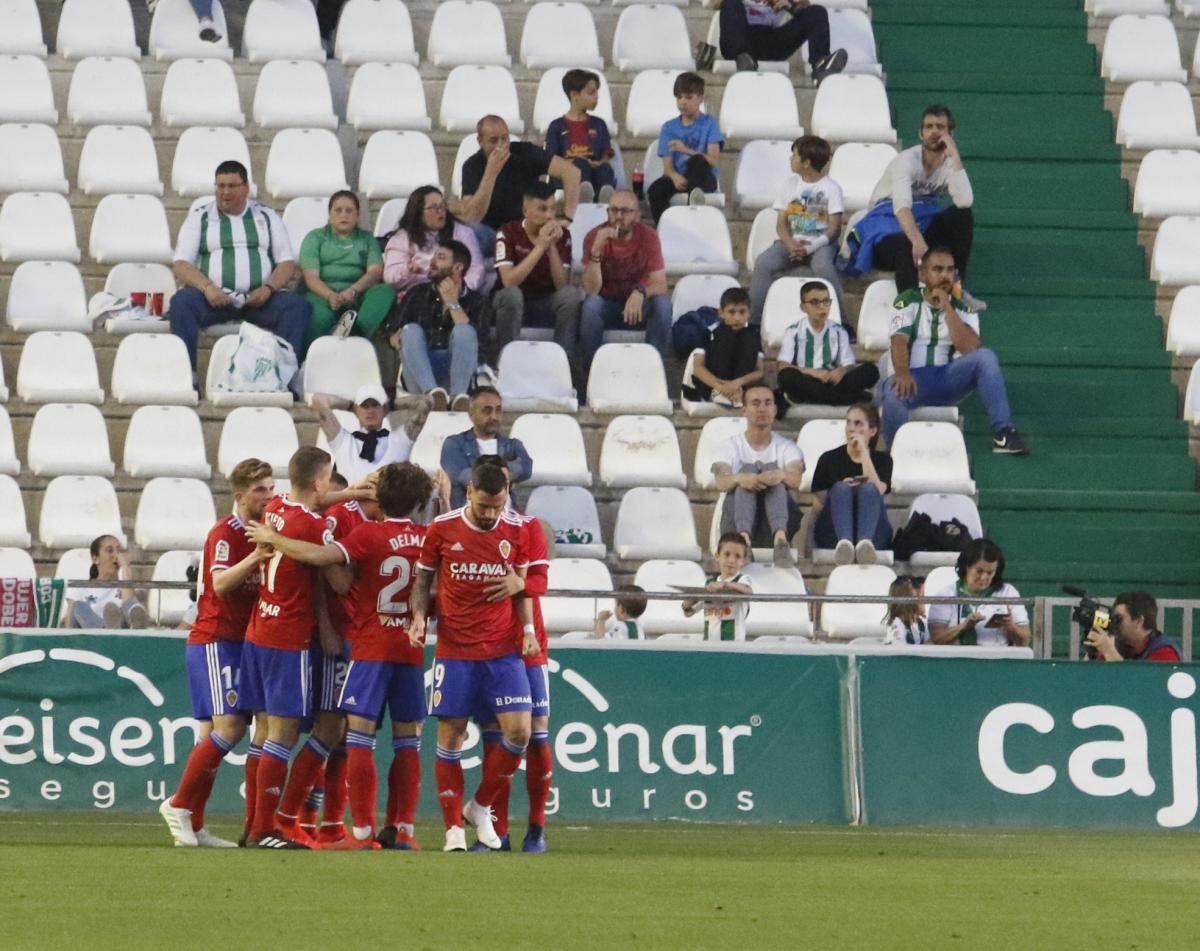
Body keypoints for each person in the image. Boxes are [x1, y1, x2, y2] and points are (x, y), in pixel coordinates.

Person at [246, 463, 436, 849]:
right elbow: (429, 586)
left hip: (369, 647)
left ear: (379, 499)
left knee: (358, 738)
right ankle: (404, 830)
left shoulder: (367, 533)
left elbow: (323, 559)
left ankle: (360, 832)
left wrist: (274, 538)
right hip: (410, 649)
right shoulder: (429, 537)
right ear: (418, 503)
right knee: (408, 741)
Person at [407, 461, 541, 852]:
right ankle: (452, 831)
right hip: (456, 650)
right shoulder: (443, 528)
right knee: (452, 736)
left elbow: (520, 588)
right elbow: (422, 581)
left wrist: (529, 632)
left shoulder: (516, 530)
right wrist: (418, 617)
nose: (490, 514)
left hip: (502, 651)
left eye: (497, 506)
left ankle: (479, 806)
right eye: (484, 506)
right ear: (469, 494)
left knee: (520, 732)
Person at [158, 458, 274, 849]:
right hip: (215, 639)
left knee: (211, 735)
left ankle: (196, 821)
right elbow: (220, 582)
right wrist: (258, 555)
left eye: (271, 488)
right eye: (260, 490)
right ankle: (177, 804)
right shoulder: (226, 534)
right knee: (231, 728)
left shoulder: (268, 530)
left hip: (244, 643)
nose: (268, 496)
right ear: (240, 496)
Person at [238, 447, 336, 849]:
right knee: (283, 732)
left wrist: (354, 493)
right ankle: (266, 830)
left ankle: (252, 825)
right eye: (328, 479)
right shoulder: (314, 526)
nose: (329, 486)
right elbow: (329, 562)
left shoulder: (276, 505)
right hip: (288, 637)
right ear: (317, 482)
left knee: (263, 732)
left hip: (258, 629)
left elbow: (312, 504)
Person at [168, 160, 309, 379]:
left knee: (297, 307)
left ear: (246, 188)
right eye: (220, 186)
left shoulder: (267, 216)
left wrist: (268, 289)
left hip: (259, 300)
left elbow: (286, 262)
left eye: (232, 186)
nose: (225, 192)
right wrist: (207, 288)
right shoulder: (200, 217)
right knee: (181, 303)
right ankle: (187, 376)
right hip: (215, 299)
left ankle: (284, 378)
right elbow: (181, 264)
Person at [881, 247, 1028, 454]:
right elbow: (898, 341)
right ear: (923, 274)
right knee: (894, 393)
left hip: (946, 378)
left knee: (986, 357)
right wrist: (903, 374)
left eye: (949, 271)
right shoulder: (907, 300)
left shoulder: (964, 309)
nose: (944, 276)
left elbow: (968, 348)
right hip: (912, 378)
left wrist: (948, 308)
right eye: (937, 269)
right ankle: (894, 458)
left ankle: (1003, 433)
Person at [472, 513, 554, 853]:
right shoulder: (471, 536)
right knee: (496, 736)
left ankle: (536, 828)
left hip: (530, 647)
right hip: (491, 648)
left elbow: (539, 582)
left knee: (536, 735)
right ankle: (497, 832)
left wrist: (521, 583)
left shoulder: (527, 528)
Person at [848, 105, 982, 306]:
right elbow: (901, 206)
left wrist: (955, 156)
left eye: (940, 127)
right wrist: (917, 240)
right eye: (929, 127)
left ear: (950, 134)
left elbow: (964, 201)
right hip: (886, 230)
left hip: (922, 222)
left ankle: (956, 288)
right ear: (921, 133)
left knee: (961, 216)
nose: (934, 132)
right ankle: (911, 311)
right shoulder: (905, 161)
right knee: (906, 243)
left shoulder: (949, 163)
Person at [383, 240, 490, 411]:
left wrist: (453, 303)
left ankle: (458, 398)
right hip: (418, 374)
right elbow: (392, 331)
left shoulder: (477, 301)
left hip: (457, 374)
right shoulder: (416, 293)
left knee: (465, 331)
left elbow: (478, 345)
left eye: (440, 258)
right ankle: (432, 394)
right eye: (433, 256)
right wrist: (393, 338)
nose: (432, 261)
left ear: (457, 268)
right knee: (410, 330)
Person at [749, 135, 845, 324]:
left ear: (806, 162)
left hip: (820, 245)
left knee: (823, 267)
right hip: (791, 242)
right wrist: (790, 244)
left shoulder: (832, 189)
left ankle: (843, 320)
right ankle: (753, 321)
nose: (790, 160)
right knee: (763, 263)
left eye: (794, 156)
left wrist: (808, 249)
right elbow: (781, 224)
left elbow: (833, 230)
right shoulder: (789, 185)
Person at [460, 115, 582, 255]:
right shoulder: (472, 166)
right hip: (492, 234)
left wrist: (567, 219)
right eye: (493, 140)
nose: (500, 145)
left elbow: (572, 172)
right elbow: (471, 217)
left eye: (504, 138)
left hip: (526, 232)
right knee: (469, 233)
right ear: (480, 141)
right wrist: (491, 173)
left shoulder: (525, 153)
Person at [711, 383, 804, 568]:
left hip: (775, 518)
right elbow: (721, 481)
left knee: (776, 477)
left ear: (775, 409)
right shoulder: (729, 446)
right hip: (736, 522)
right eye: (755, 403)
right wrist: (741, 478)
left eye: (768, 403)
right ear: (744, 410)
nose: (762, 408)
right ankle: (744, 542)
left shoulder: (788, 447)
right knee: (747, 472)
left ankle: (780, 540)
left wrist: (779, 475)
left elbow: (796, 480)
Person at [580, 189, 672, 371]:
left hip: (638, 308)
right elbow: (592, 289)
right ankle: (591, 372)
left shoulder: (649, 236)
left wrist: (641, 292)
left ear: (637, 216)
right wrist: (596, 253)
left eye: (625, 211)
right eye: (613, 210)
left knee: (663, 305)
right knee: (591, 306)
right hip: (608, 306)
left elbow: (660, 284)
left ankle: (654, 370)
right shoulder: (594, 236)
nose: (618, 216)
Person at [493, 181, 582, 356]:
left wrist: (552, 247)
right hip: (512, 302)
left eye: (552, 209)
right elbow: (509, 281)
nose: (549, 216)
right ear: (526, 210)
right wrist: (540, 247)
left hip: (546, 301)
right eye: (542, 209)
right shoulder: (508, 231)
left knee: (571, 295)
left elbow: (562, 286)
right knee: (512, 294)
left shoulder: (563, 236)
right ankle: (507, 359)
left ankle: (563, 361)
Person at [299, 190, 394, 350]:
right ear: (329, 215)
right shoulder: (315, 237)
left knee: (385, 292)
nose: (344, 215)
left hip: (358, 294)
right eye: (338, 210)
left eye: (349, 211)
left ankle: (355, 334)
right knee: (320, 316)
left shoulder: (367, 239)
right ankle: (313, 358)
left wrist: (353, 291)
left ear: (357, 216)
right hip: (322, 294)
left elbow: (375, 271)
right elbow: (311, 277)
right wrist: (330, 295)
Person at [811, 403, 893, 565]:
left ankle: (864, 544)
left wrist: (863, 451)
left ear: (873, 430)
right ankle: (845, 543)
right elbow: (817, 506)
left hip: (874, 534)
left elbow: (879, 489)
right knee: (841, 488)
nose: (851, 428)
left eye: (858, 424)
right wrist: (839, 493)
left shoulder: (884, 460)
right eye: (848, 423)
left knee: (869, 488)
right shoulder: (828, 459)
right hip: (833, 532)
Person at [776, 281, 878, 410]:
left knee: (870, 370)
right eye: (814, 302)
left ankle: (824, 397)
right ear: (803, 307)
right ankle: (847, 398)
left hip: (833, 382)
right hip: (807, 380)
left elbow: (848, 364)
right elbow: (783, 366)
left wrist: (841, 371)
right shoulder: (793, 331)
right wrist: (813, 372)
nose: (822, 307)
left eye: (826, 302)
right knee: (786, 376)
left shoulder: (839, 330)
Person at [646, 71, 724, 224]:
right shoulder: (668, 128)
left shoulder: (711, 123)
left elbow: (713, 160)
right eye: (679, 97)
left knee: (697, 161)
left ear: (700, 97)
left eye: (688, 97)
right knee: (655, 190)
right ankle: (664, 228)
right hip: (680, 178)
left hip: (704, 178)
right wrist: (675, 177)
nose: (683, 102)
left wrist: (685, 150)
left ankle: (693, 213)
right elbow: (667, 168)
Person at [439, 386, 534, 510]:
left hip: (508, 517)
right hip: (468, 515)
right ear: (471, 414)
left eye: (498, 410)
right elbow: (462, 476)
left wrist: (485, 475)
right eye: (487, 410)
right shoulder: (454, 444)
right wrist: (505, 474)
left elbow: (527, 467)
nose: (494, 417)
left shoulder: (512, 444)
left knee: (544, 527)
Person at [310, 383, 425, 484]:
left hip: (390, 505)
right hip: (350, 506)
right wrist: (350, 406)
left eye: (375, 405)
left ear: (384, 409)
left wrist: (391, 406)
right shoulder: (343, 441)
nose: (370, 411)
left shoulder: (400, 440)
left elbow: (426, 402)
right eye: (364, 406)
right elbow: (317, 400)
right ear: (356, 410)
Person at [382, 185, 485, 296]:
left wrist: (460, 290)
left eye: (442, 206)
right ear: (418, 211)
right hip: (417, 296)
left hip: (456, 293)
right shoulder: (402, 238)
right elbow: (390, 276)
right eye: (433, 208)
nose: (440, 211)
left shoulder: (463, 233)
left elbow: (476, 269)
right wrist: (407, 270)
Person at [928, 539, 1031, 647]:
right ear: (967, 566)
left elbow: (1025, 640)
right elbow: (937, 638)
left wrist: (1010, 626)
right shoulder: (946, 594)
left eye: (990, 572)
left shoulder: (1008, 592)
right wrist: (963, 627)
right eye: (979, 571)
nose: (984, 578)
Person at [717, 0, 848, 79]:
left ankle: (820, 63)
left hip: (771, 41)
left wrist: (790, 5)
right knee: (730, 2)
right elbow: (713, 3)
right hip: (739, 41)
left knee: (816, 12)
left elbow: (805, 6)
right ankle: (743, 60)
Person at [681, 286, 764, 406]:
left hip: (741, 386)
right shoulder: (708, 332)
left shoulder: (754, 334)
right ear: (721, 313)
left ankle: (737, 394)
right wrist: (720, 386)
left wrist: (738, 383)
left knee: (746, 339)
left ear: (749, 313)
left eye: (742, 312)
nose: (737, 317)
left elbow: (760, 371)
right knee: (726, 336)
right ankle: (719, 394)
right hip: (712, 385)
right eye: (732, 312)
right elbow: (698, 368)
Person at [544, 68, 617, 202]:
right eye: (590, 92)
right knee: (580, 164)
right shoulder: (556, 126)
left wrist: (598, 163)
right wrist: (574, 162)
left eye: (597, 92)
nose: (596, 96)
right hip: (566, 175)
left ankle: (605, 194)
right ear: (574, 95)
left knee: (605, 169)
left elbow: (606, 155)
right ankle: (583, 192)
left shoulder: (599, 124)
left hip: (594, 170)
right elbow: (551, 161)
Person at [66, 535, 148, 629]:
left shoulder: (127, 588)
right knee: (78, 606)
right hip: (93, 639)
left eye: (119, 551)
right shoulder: (81, 588)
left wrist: (125, 567)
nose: (117, 556)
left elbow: (131, 606)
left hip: (123, 637)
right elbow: (69, 625)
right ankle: (106, 631)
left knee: (132, 605)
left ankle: (117, 631)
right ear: (95, 559)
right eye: (110, 551)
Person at [683, 533, 754, 641]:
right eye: (727, 554)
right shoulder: (710, 583)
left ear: (743, 562)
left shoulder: (742, 580)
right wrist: (687, 604)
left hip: (734, 647)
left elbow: (749, 592)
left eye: (737, 556)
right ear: (717, 556)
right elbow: (689, 612)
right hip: (710, 646)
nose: (731, 560)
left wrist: (725, 584)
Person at [1084, 592, 1182, 663]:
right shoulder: (1119, 646)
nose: (1114, 623)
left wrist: (1109, 652)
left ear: (1139, 621)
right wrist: (1092, 655)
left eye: (1119, 619)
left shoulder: (1165, 653)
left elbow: (1138, 685)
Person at [883, 577, 929, 646]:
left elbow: (930, 644)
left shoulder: (922, 624)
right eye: (921, 596)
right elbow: (899, 652)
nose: (925, 600)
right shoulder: (897, 625)